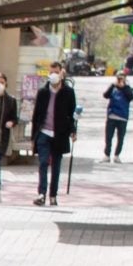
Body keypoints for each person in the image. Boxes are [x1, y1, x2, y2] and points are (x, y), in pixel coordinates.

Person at [30, 63, 78, 205]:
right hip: (44, 132)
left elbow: (72, 114)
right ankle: (41, 193)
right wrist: (34, 137)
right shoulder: (43, 92)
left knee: (56, 166)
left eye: (56, 72)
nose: (53, 75)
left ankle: (53, 195)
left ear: (61, 73)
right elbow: (36, 115)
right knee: (43, 162)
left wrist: (73, 131)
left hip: (59, 134)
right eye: (51, 72)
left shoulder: (68, 92)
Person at [104, 70, 133, 159]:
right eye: (119, 78)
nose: (120, 80)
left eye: (122, 77)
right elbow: (105, 95)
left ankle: (117, 155)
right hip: (112, 116)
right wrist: (112, 85)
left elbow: (130, 96)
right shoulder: (113, 88)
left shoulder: (129, 89)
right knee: (108, 137)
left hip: (123, 117)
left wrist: (124, 86)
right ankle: (107, 155)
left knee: (120, 138)